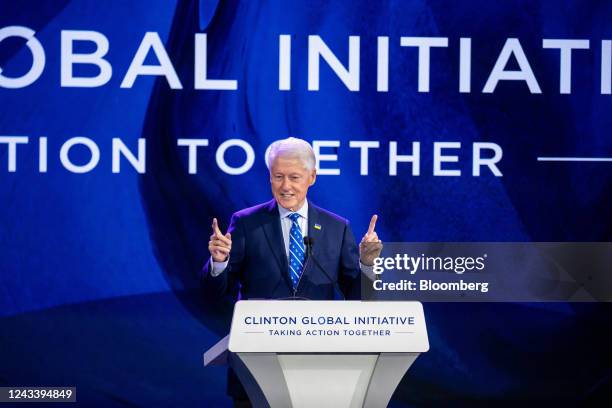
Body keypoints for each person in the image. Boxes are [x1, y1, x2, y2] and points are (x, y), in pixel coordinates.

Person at [200, 137, 382, 406]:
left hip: (318, 370)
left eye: (294, 177)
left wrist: (367, 265)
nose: (286, 186)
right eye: (278, 177)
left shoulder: (336, 228)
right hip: (256, 372)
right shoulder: (246, 223)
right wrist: (218, 263)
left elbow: (361, 299)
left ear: (312, 177)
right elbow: (215, 292)